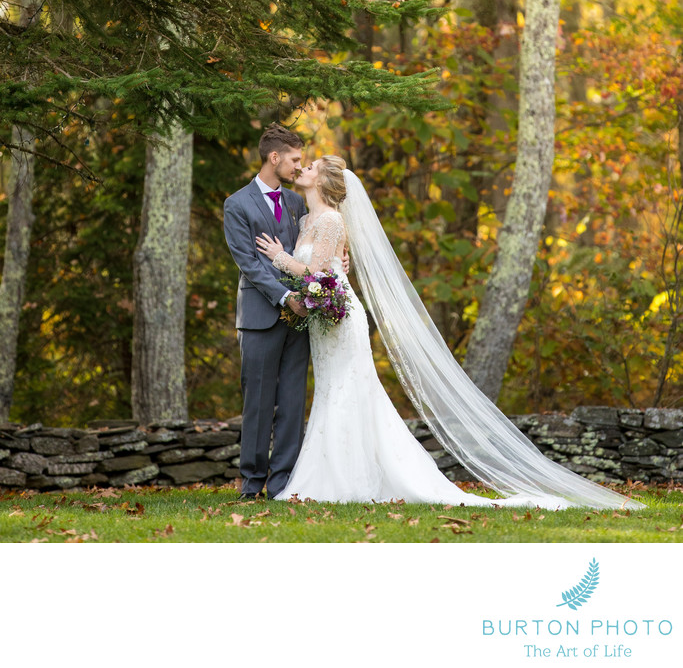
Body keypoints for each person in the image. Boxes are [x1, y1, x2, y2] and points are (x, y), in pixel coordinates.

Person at [255, 156, 643, 510]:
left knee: (347, 390)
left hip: (340, 321)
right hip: (323, 320)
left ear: (324, 181)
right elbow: (333, 269)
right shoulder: (306, 221)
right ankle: (333, 475)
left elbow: (316, 272)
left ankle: (341, 481)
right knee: (331, 391)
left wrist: (279, 258)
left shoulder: (331, 220)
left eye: (313, 164)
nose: (305, 166)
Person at [223, 124, 309, 500]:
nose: (298, 167)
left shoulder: (296, 203)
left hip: (302, 319)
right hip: (260, 316)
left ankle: (283, 483)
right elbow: (248, 263)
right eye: (294, 160)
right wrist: (283, 296)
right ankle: (252, 482)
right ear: (275, 158)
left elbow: (306, 253)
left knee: (292, 401)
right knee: (257, 402)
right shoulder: (237, 204)